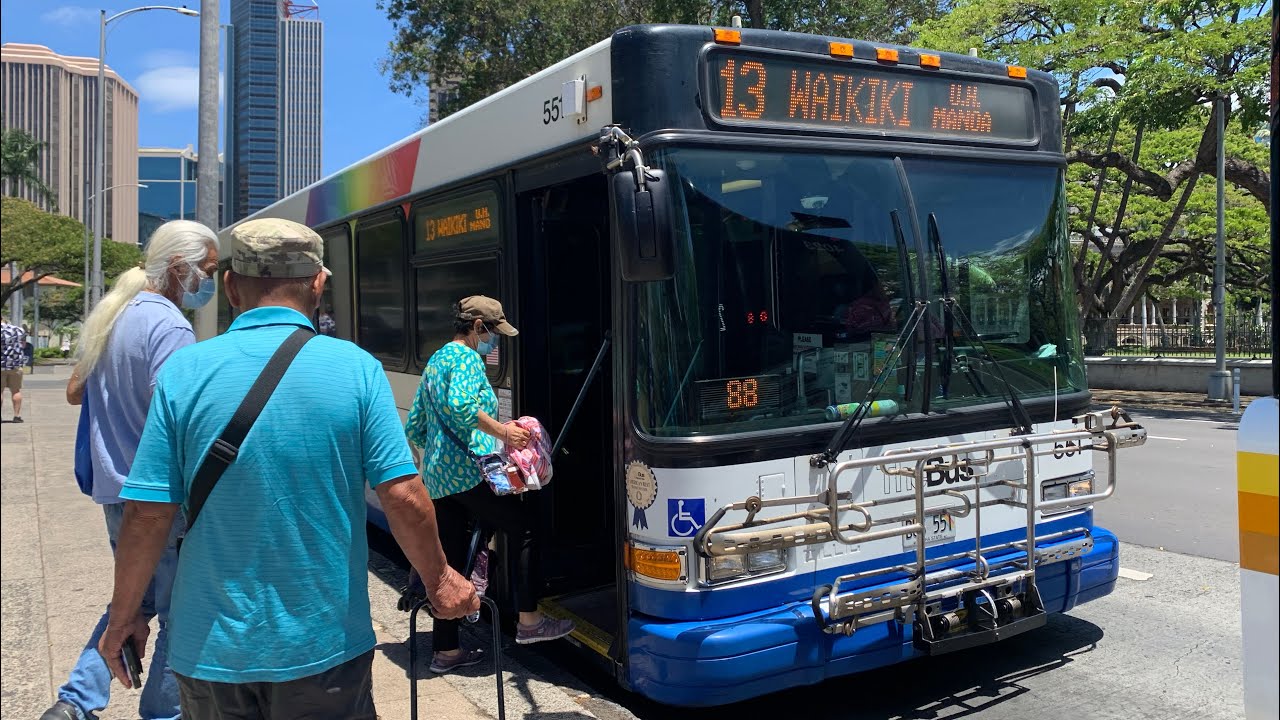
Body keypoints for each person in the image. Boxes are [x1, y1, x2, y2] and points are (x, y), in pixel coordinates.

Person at [98, 218, 478, 719]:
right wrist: (441, 580)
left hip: (209, 651)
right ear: (319, 284)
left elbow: (147, 513)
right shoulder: (356, 368)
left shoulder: (184, 372)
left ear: (231, 287)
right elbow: (404, 495)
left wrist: (125, 616)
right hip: (323, 646)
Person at [40, 220, 220, 720]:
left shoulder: (116, 316)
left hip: (114, 490)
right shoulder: (169, 325)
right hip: (159, 500)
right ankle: (164, 713)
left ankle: (76, 702)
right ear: (180, 268)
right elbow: (182, 414)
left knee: (132, 600)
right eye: (206, 271)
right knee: (179, 616)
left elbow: (76, 391)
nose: (208, 282)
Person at [405, 295, 573, 675]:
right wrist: (504, 433)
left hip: (439, 479)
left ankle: (446, 652)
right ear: (478, 326)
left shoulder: (436, 361)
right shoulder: (466, 358)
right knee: (526, 527)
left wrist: (436, 458)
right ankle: (529, 622)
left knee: (449, 561)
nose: (495, 341)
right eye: (494, 332)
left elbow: (414, 426)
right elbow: (463, 407)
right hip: (469, 474)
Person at [0, 315, 26, 422]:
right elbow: (23, 345)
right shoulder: (18, 330)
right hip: (15, 365)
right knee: (16, 391)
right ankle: (16, 416)